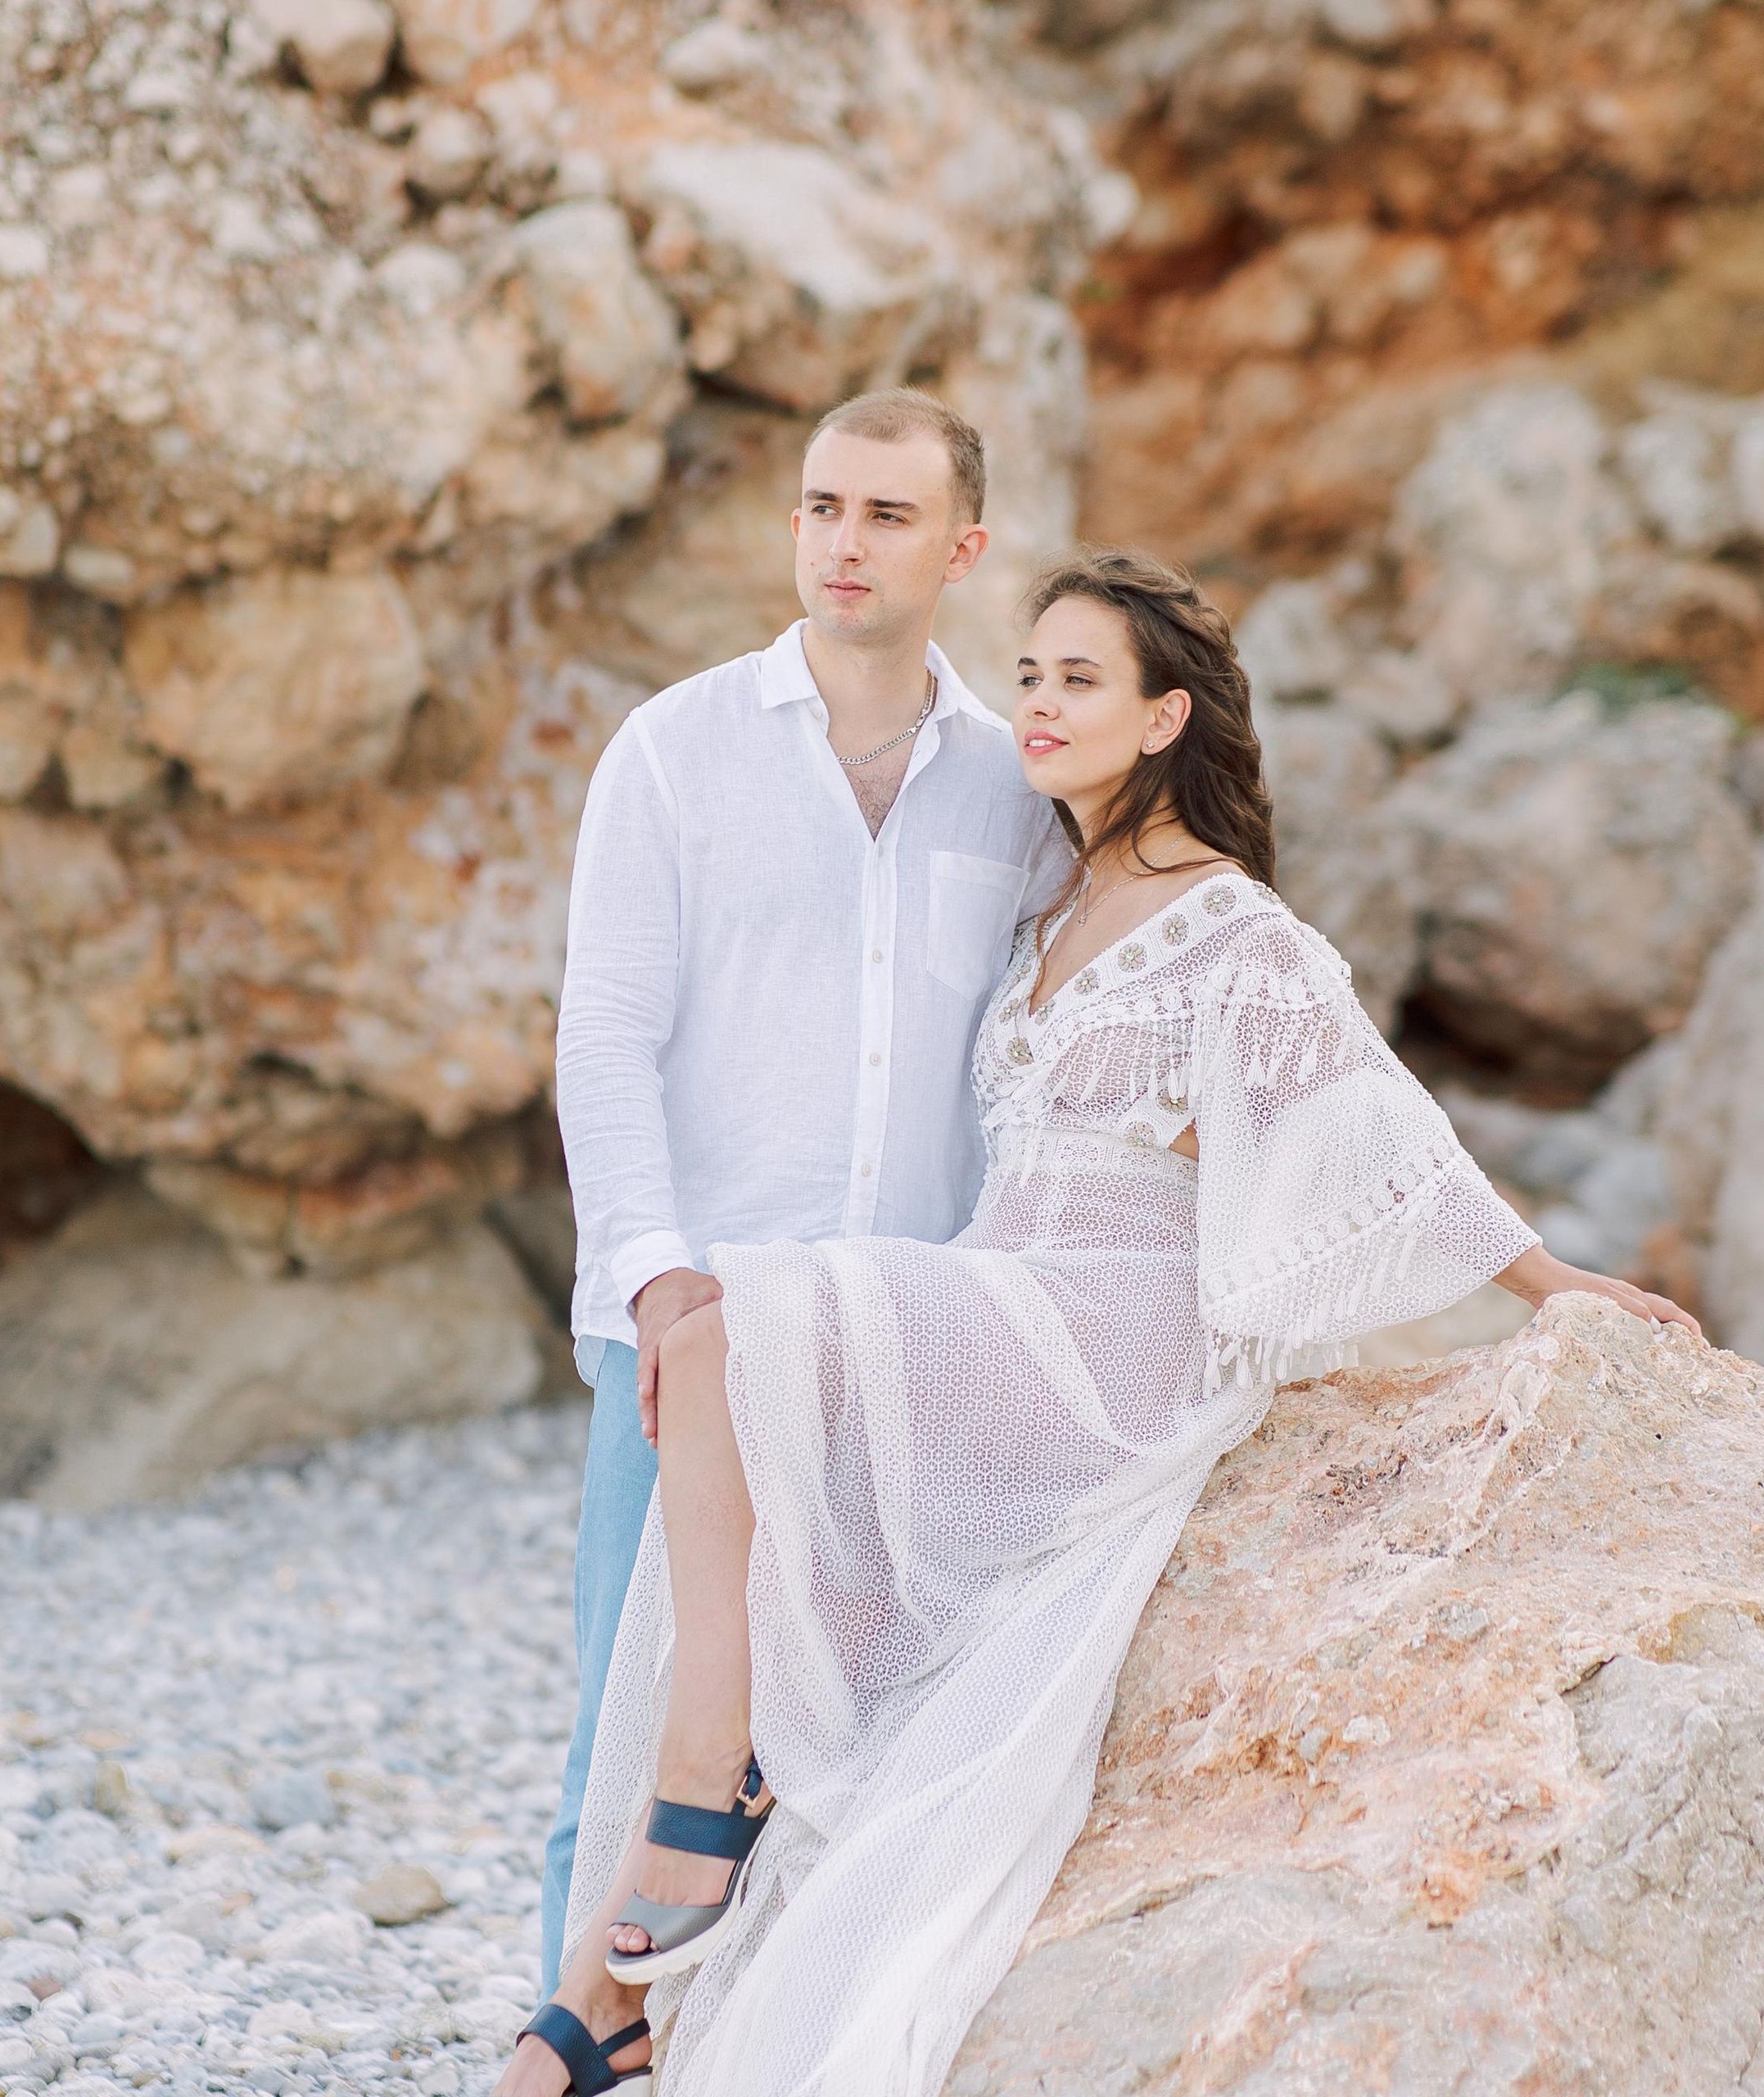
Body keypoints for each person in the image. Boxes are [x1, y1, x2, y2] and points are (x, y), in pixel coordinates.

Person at [502, 548, 1702, 2097]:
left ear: (1163, 718)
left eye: (1081, 682)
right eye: (1030, 677)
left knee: (724, 1331)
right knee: (739, 1399)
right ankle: (607, 1988)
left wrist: (1552, 1280)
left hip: (1116, 1324)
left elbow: (1383, 1131)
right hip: (1011, 1287)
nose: (1041, 707)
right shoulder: (1050, 904)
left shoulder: (1235, 930)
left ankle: (704, 1785)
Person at [532, 387, 1068, 2024]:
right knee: (635, 1744)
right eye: (823, 506)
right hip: (685, 1339)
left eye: (888, 515)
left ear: (961, 549)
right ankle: (575, 2045)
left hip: (902, 1344)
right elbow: (603, 1039)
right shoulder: (674, 750)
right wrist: (655, 1279)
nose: (845, 541)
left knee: (858, 1744)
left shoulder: (1017, 786)